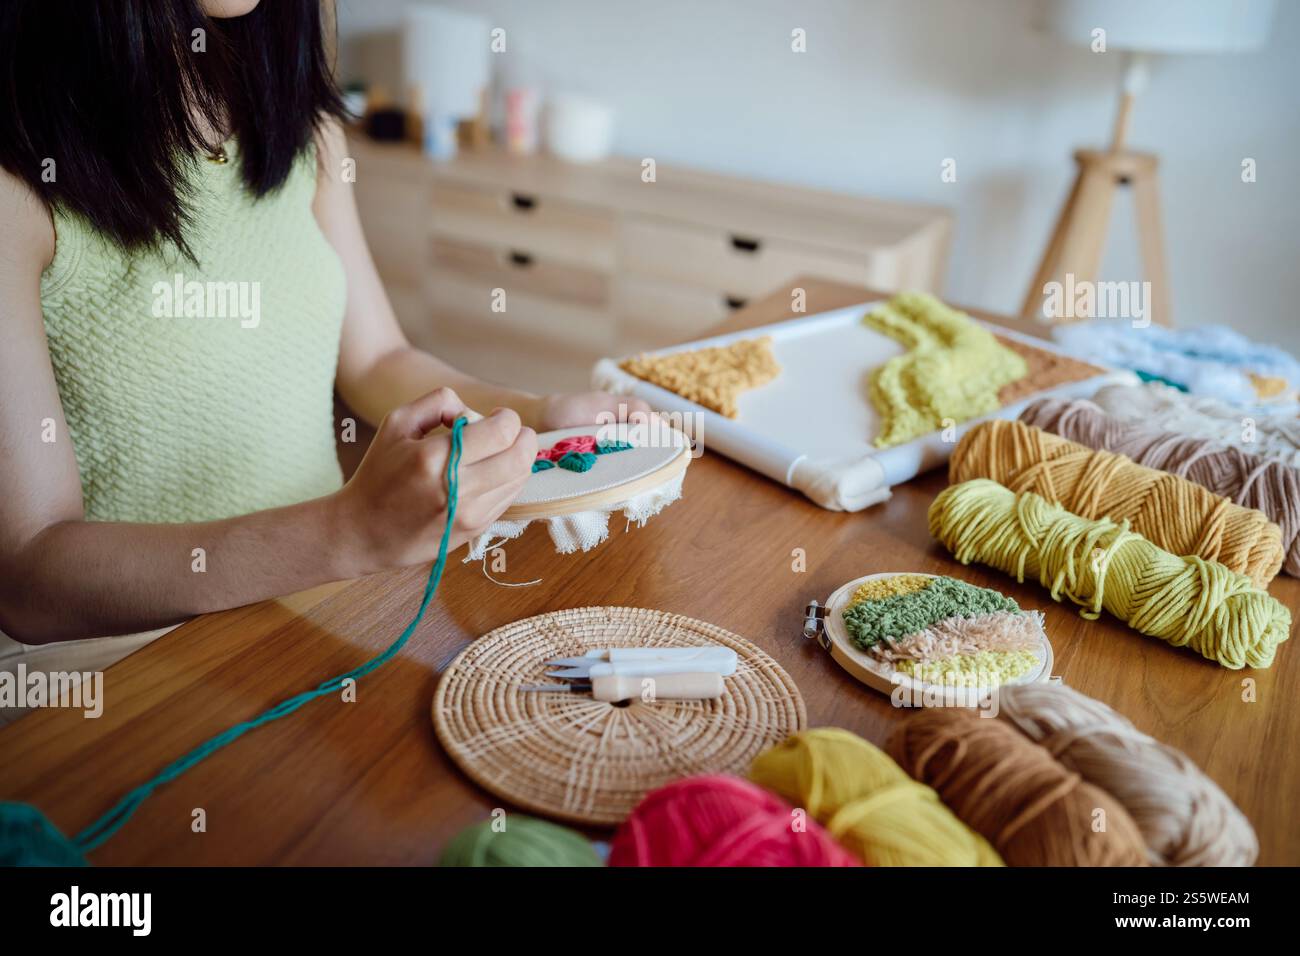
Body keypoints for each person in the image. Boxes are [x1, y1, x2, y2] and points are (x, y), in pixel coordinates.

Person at [0, 0, 648, 710]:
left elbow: (377, 361)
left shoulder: (300, 124)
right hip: (123, 689)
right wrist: (345, 532)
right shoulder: (20, 179)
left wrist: (540, 410)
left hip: (317, 618)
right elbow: (30, 577)